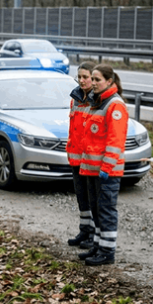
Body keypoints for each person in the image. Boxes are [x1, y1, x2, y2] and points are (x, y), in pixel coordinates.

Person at [77, 64, 128, 266]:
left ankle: (107, 251)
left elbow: (115, 143)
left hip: (106, 172)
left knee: (106, 211)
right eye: (94, 80)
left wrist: (106, 169)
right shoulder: (98, 102)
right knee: (97, 210)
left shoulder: (114, 105)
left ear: (109, 81)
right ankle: (98, 246)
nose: (94, 83)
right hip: (92, 170)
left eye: (98, 80)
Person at [66, 61, 96, 249]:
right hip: (76, 158)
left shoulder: (97, 100)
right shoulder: (75, 98)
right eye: (80, 77)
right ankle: (84, 230)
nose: (82, 80)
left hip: (90, 160)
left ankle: (93, 234)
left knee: (93, 199)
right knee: (81, 197)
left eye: (86, 77)